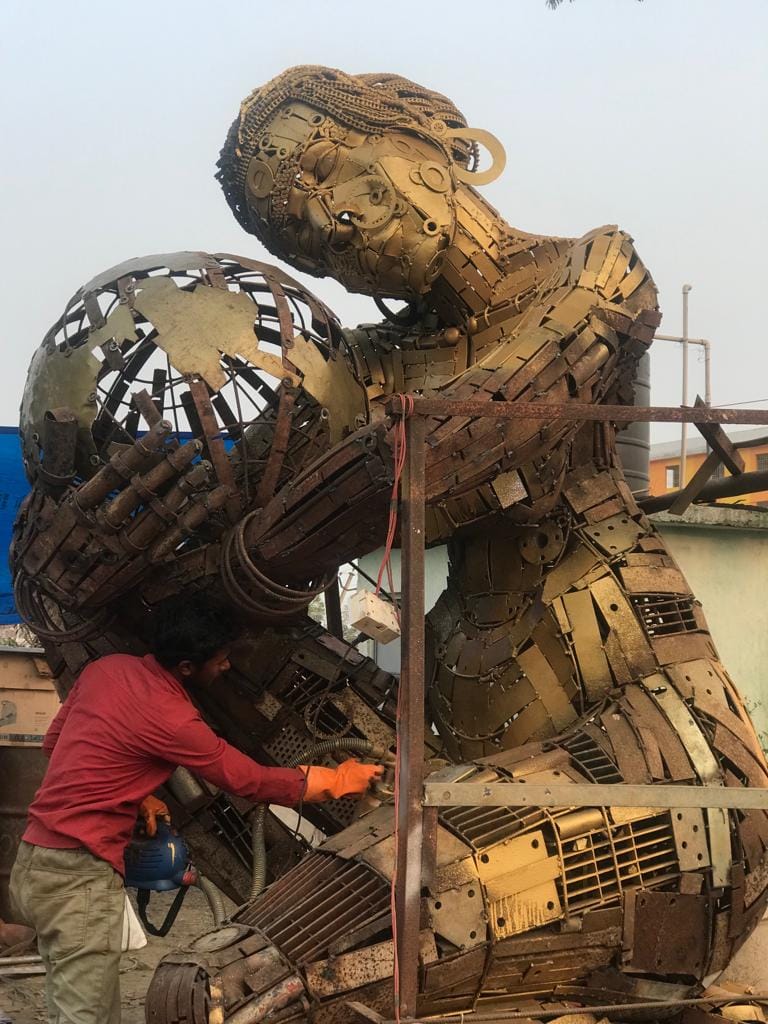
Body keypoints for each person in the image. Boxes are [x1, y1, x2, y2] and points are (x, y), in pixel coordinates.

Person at [9, 596, 383, 1024]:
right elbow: (248, 780)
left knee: (77, 1004)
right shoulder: (173, 718)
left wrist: (136, 795)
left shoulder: (105, 669)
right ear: (187, 667)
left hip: (33, 864)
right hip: (77, 881)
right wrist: (338, 780)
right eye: (221, 659)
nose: (226, 666)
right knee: (85, 1018)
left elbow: (54, 744)